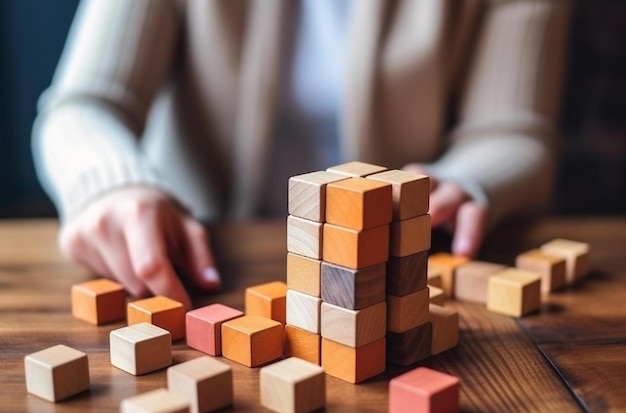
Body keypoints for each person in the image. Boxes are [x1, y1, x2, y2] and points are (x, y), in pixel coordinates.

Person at [32, 0, 571, 310]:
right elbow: (83, 107)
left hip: (396, 274)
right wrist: (113, 182)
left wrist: (464, 179)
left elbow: (513, 130)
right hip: (201, 265)